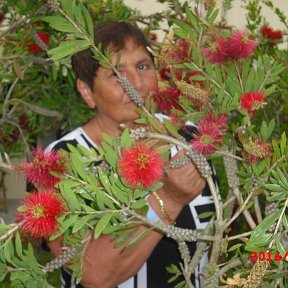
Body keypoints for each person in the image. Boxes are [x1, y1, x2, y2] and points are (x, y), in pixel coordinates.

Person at [46, 21, 216, 288]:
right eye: (116, 73)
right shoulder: (60, 159)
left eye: (142, 66)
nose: (137, 84)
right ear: (87, 91)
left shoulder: (191, 138)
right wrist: (168, 201)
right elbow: (91, 272)